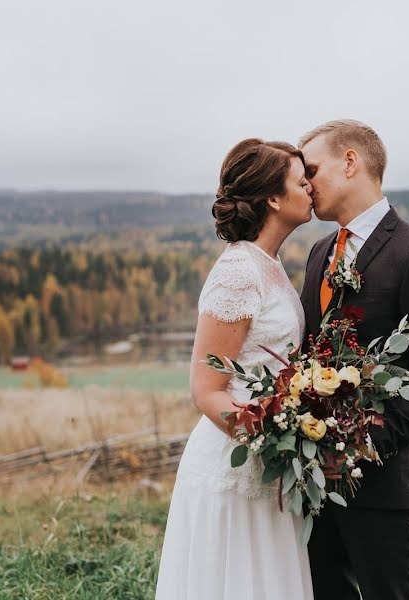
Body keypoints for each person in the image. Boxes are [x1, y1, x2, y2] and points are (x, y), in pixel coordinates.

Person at [298, 119, 409, 600]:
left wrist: (359, 444)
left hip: (383, 484)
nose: (306, 185)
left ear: (350, 162)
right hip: (312, 483)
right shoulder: (319, 252)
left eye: (312, 169)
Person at [154, 138, 315, 599]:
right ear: (273, 198)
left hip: (272, 470)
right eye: (301, 182)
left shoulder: (271, 265)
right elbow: (207, 389)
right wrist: (270, 441)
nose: (311, 189)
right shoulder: (238, 272)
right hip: (237, 465)